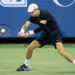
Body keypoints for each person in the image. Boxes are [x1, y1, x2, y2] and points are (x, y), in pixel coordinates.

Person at [16, 3, 75, 71]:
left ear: (37, 9)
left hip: (55, 34)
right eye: (30, 12)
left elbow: (41, 27)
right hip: (46, 35)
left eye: (32, 12)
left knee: (61, 51)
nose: (31, 14)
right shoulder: (33, 16)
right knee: (30, 47)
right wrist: (22, 32)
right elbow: (26, 24)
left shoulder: (45, 13)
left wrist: (28, 33)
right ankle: (26, 65)